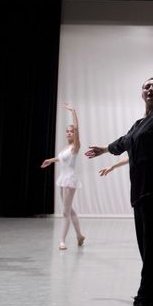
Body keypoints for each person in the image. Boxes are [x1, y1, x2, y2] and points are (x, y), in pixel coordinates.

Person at [85, 24, 153, 306]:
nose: (151, 89)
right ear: (141, 93)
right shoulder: (138, 125)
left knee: (151, 247)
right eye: (147, 87)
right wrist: (104, 149)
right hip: (140, 190)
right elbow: (123, 143)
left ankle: (144, 298)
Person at [41, 104, 87, 250]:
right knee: (69, 209)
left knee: (65, 212)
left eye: (71, 131)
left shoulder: (75, 146)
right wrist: (50, 160)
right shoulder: (66, 148)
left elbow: (77, 129)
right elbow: (62, 158)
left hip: (70, 180)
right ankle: (79, 235)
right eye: (67, 131)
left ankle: (62, 240)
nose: (68, 133)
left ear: (75, 134)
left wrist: (73, 111)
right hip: (63, 179)